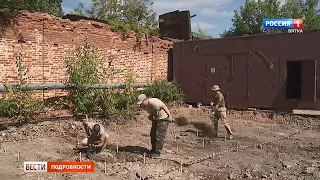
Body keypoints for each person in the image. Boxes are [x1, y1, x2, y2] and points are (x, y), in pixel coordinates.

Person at [137, 94, 173, 158]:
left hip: (163, 119)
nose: (141, 105)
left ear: (145, 100)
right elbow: (154, 110)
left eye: (142, 102)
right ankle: (153, 150)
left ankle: (157, 152)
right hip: (156, 118)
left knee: (159, 136)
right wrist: (151, 115)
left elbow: (163, 106)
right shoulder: (145, 105)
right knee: (153, 134)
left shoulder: (154, 102)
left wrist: (169, 116)